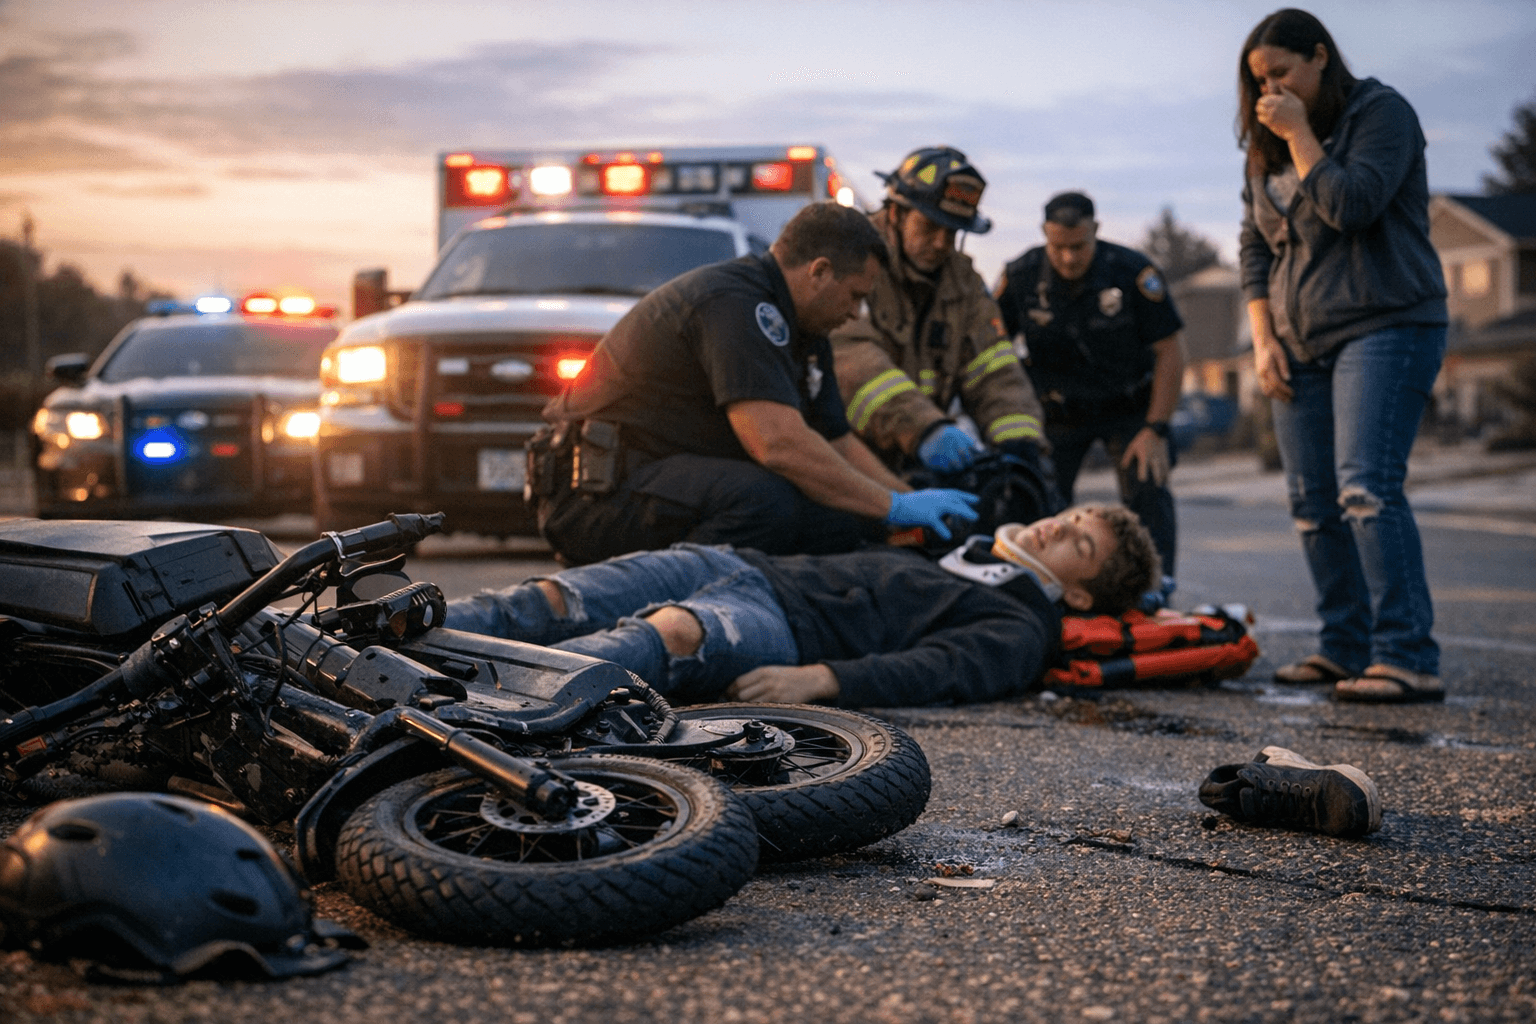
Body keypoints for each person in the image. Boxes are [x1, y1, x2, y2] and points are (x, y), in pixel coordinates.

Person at [529, 202, 979, 567]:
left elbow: (836, 443)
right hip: (595, 496)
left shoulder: (807, 330)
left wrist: (905, 505)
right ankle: (671, 613)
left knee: (844, 521)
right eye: (856, 296)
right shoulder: (735, 305)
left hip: (657, 484)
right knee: (765, 501)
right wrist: (893, 506)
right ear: (819, 272)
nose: (856, 313)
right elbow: (778, 445)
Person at [1237, 8, 1448, 703]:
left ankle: (1406, 655)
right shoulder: (1264, 146)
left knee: (1366, 488)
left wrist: (1300, 134)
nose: (1270, 90)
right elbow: (1255, 247)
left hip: (1384, 324)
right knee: (1312, 503)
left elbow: (1351, 206)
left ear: (1320, 57)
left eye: (1281, 73)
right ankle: (1344, 647)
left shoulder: (1381, 115)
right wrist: (1263, 338)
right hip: (1298, 342)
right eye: (1258, 81)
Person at [444, 505, 1158, 709]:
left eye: (1080, 543)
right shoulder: (964, 547)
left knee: (671, 634)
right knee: (552, 598)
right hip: (739, 565)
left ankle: (476, 705)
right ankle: (401, 638)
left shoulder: (1022, 625)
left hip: (786, 627)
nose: (1059, 526)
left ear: (1079, 594)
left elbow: (939, 669)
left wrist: (823, 679)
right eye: (1074, 516)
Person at [828, 146, 1056, 521]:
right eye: (930, 226)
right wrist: (924, 428)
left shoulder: (963, 284)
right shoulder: (854, 260)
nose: (941, 244)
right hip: (842, 460)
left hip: (913, 464)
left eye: (952, 232)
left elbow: (995, 370)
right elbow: (851, 361)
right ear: (896, 213)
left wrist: (1020, 443)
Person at [993, 191, 1185, 607]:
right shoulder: (1020, 276)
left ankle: (1154, 596)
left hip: (1129, 410)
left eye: (1078, 246)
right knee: (1037, 500)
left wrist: (1155, 429)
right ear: (1044, 234)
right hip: (1057, 414)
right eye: (1058, 246)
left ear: (1095, 231)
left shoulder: (1132, 272)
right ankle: (1032, 601)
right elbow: (992, 352)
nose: (1068, 258)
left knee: (1148, 487)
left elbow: (1170, 351)